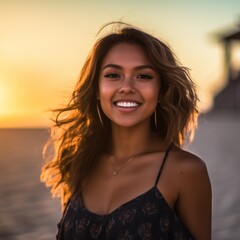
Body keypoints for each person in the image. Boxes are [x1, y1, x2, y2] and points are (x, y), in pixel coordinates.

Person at [41, 22, 212, 239]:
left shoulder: (185, 171)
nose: (127, 87)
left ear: (161, 91)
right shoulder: (79, 162)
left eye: (143, 76)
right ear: (96, 89)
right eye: (113, 75)